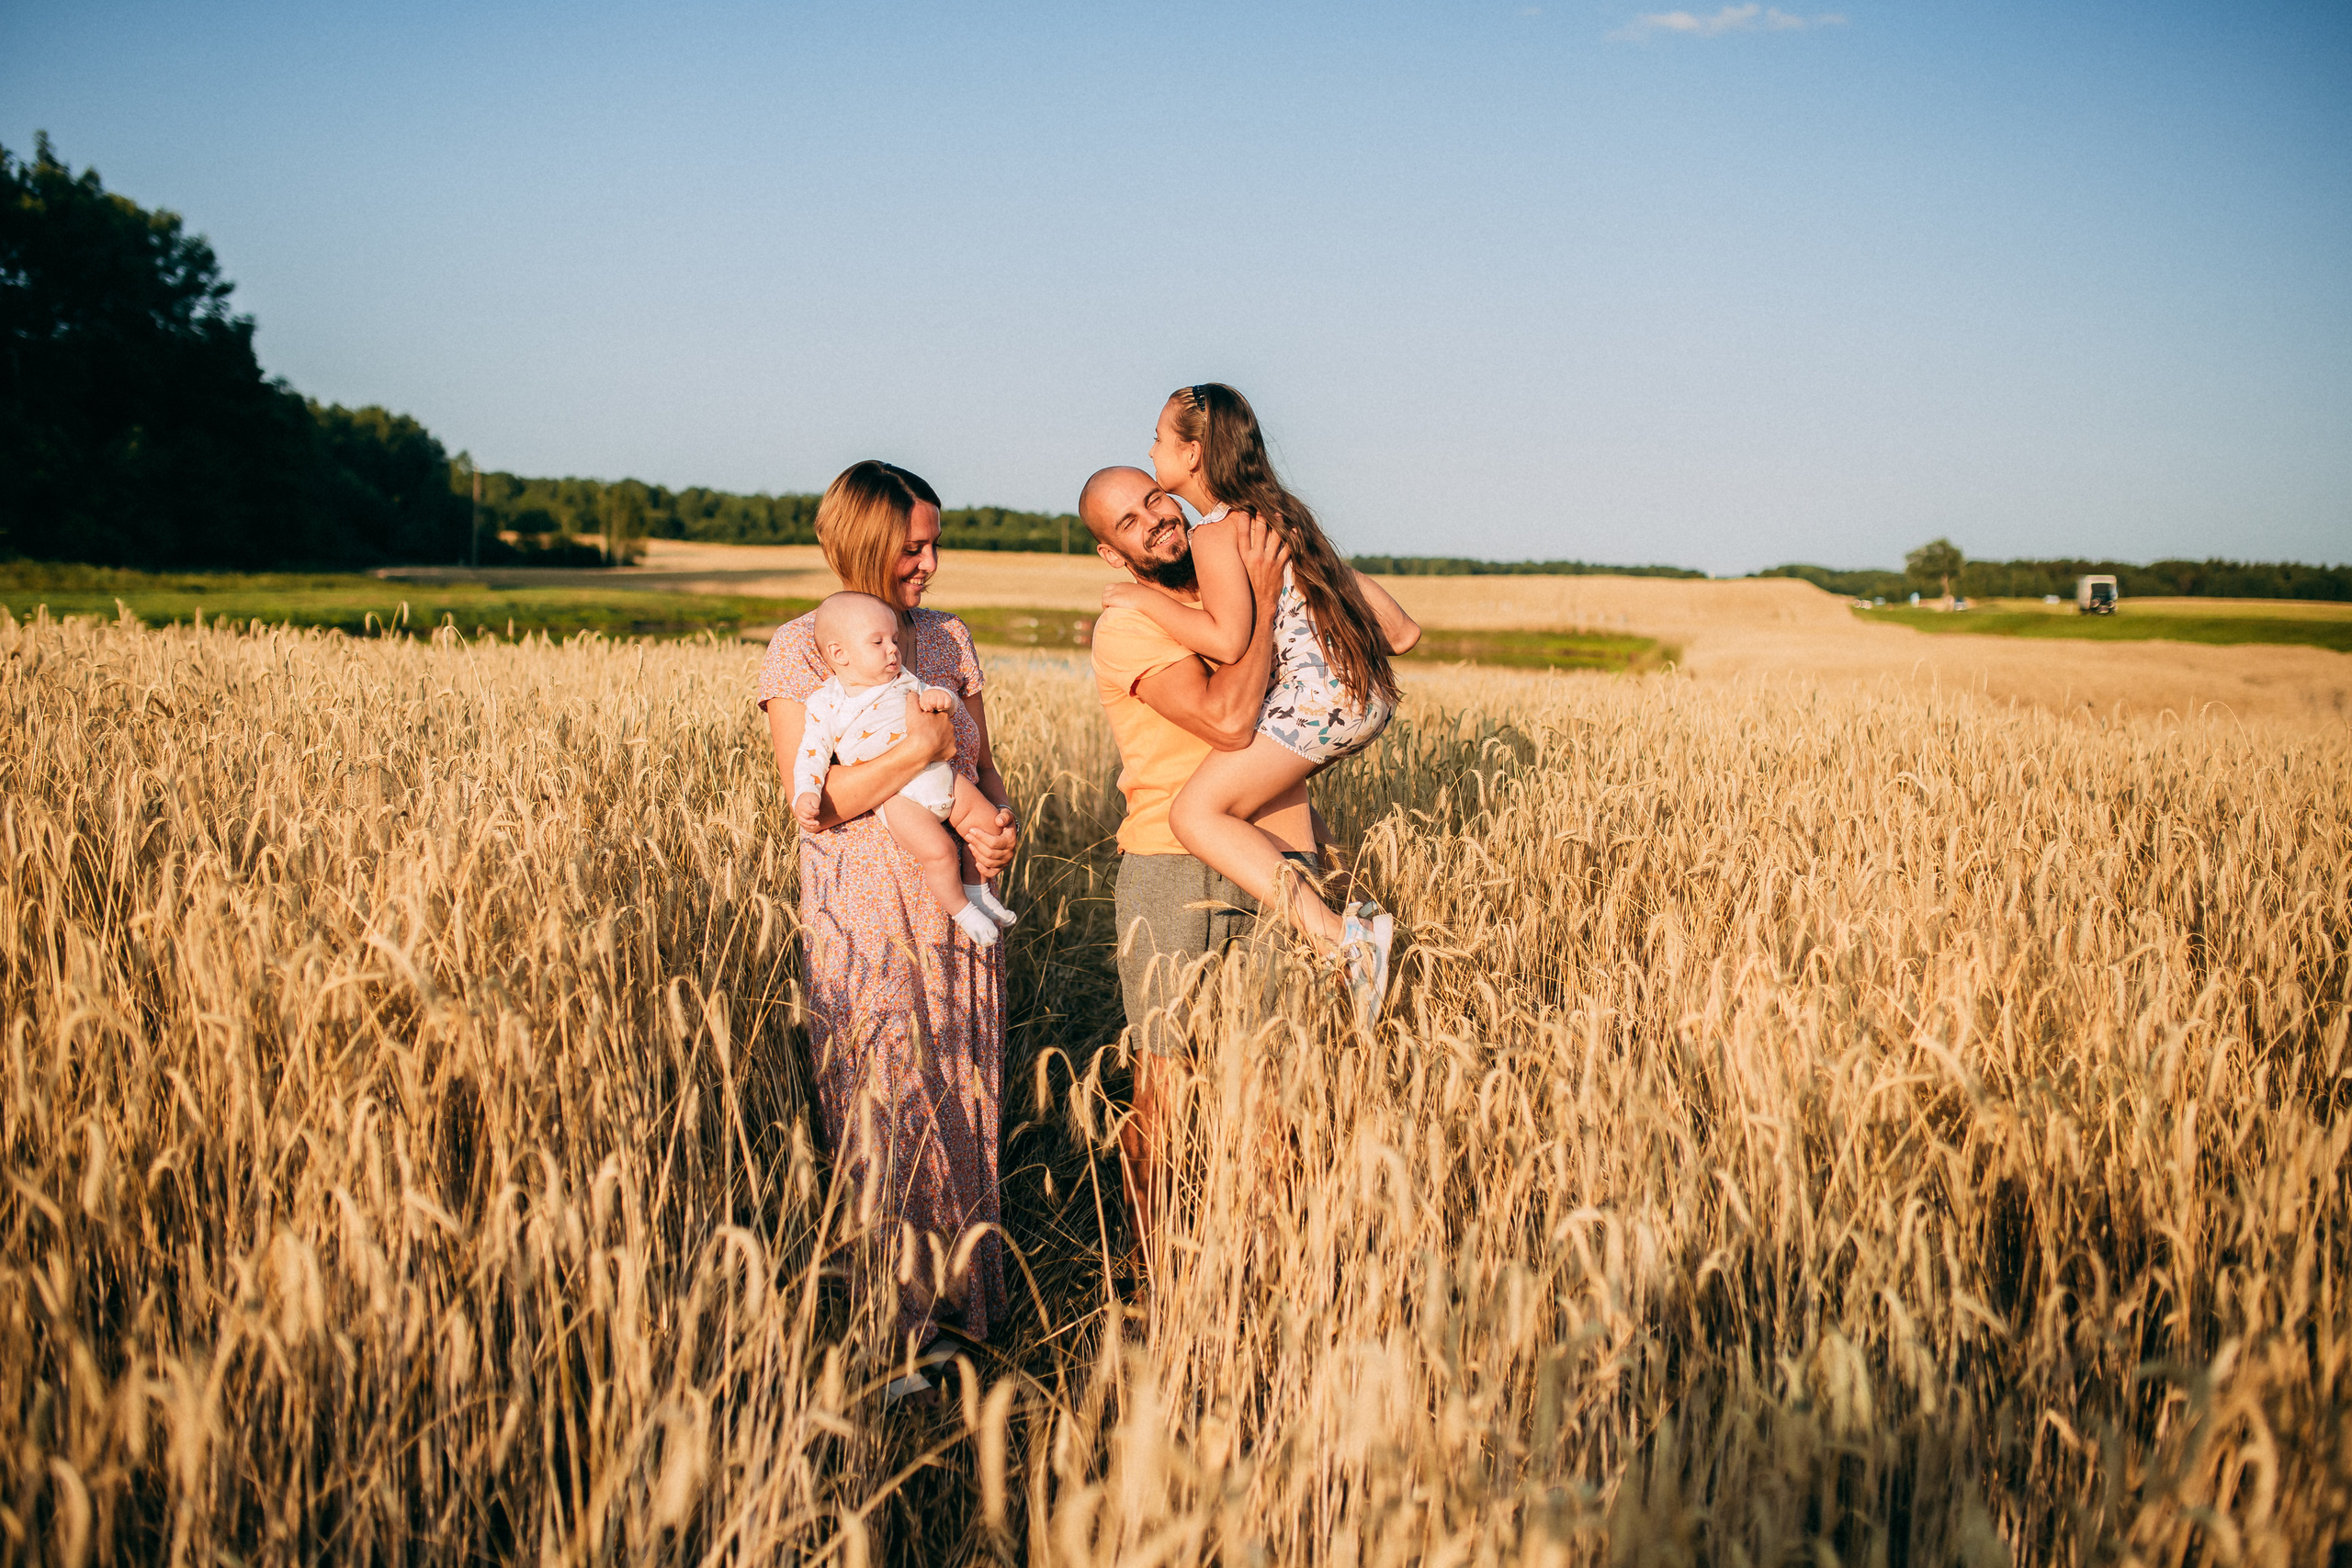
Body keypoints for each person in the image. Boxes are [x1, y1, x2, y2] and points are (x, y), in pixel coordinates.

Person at [756, 460, 1016, 1401]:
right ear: (866, 542)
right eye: (914, 546)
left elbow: (987, 765)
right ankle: (897, 1337)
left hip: (956, 912)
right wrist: (919, 747)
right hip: (866, 921)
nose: (931, 563)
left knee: (962, 1101)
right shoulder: (804, 650)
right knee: (886, 1116)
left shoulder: (948, 641)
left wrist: (995, 819)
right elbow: (816, 804)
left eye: (935, 542)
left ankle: (962, 1318)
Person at [1101, 383, 1421, 1015]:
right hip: (1365, 693)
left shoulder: (1218, 533)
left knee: (1194, 814)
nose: (1152, 449)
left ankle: (1342, 939)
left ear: (1191, 455)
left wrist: (1147, 600)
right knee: (1258, 802)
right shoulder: (1282, 518)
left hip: (1316, 699)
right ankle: (1349, 905)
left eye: (1159, 440)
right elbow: (1403, 633)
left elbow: (1226, 639)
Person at [1081, 465, 1333, 1269]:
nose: (1155, 519)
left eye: (1154, 497)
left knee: (1274, 1074)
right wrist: (1255, 601)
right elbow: (1229, 722)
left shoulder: (1232, 587)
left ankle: (1269, 1268)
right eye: (1128, 521)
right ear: (1112, 555)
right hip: (1170, 859)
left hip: (1273, 856)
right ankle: (1150, 1265)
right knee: (1167, 1079)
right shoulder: (1130, 623)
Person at [792, 591, 1019, 948]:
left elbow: (944, 701)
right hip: (897, 797)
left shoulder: (904, 680)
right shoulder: (827, 700)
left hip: (943, 778)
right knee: (940, 851)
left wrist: (943, 698)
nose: (893, 650)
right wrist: (807, 791)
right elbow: (811, 753)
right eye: (878, 642)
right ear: (840, 654)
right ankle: (962, 910)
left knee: (988, 823)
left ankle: (977, 891)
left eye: (895, 640)